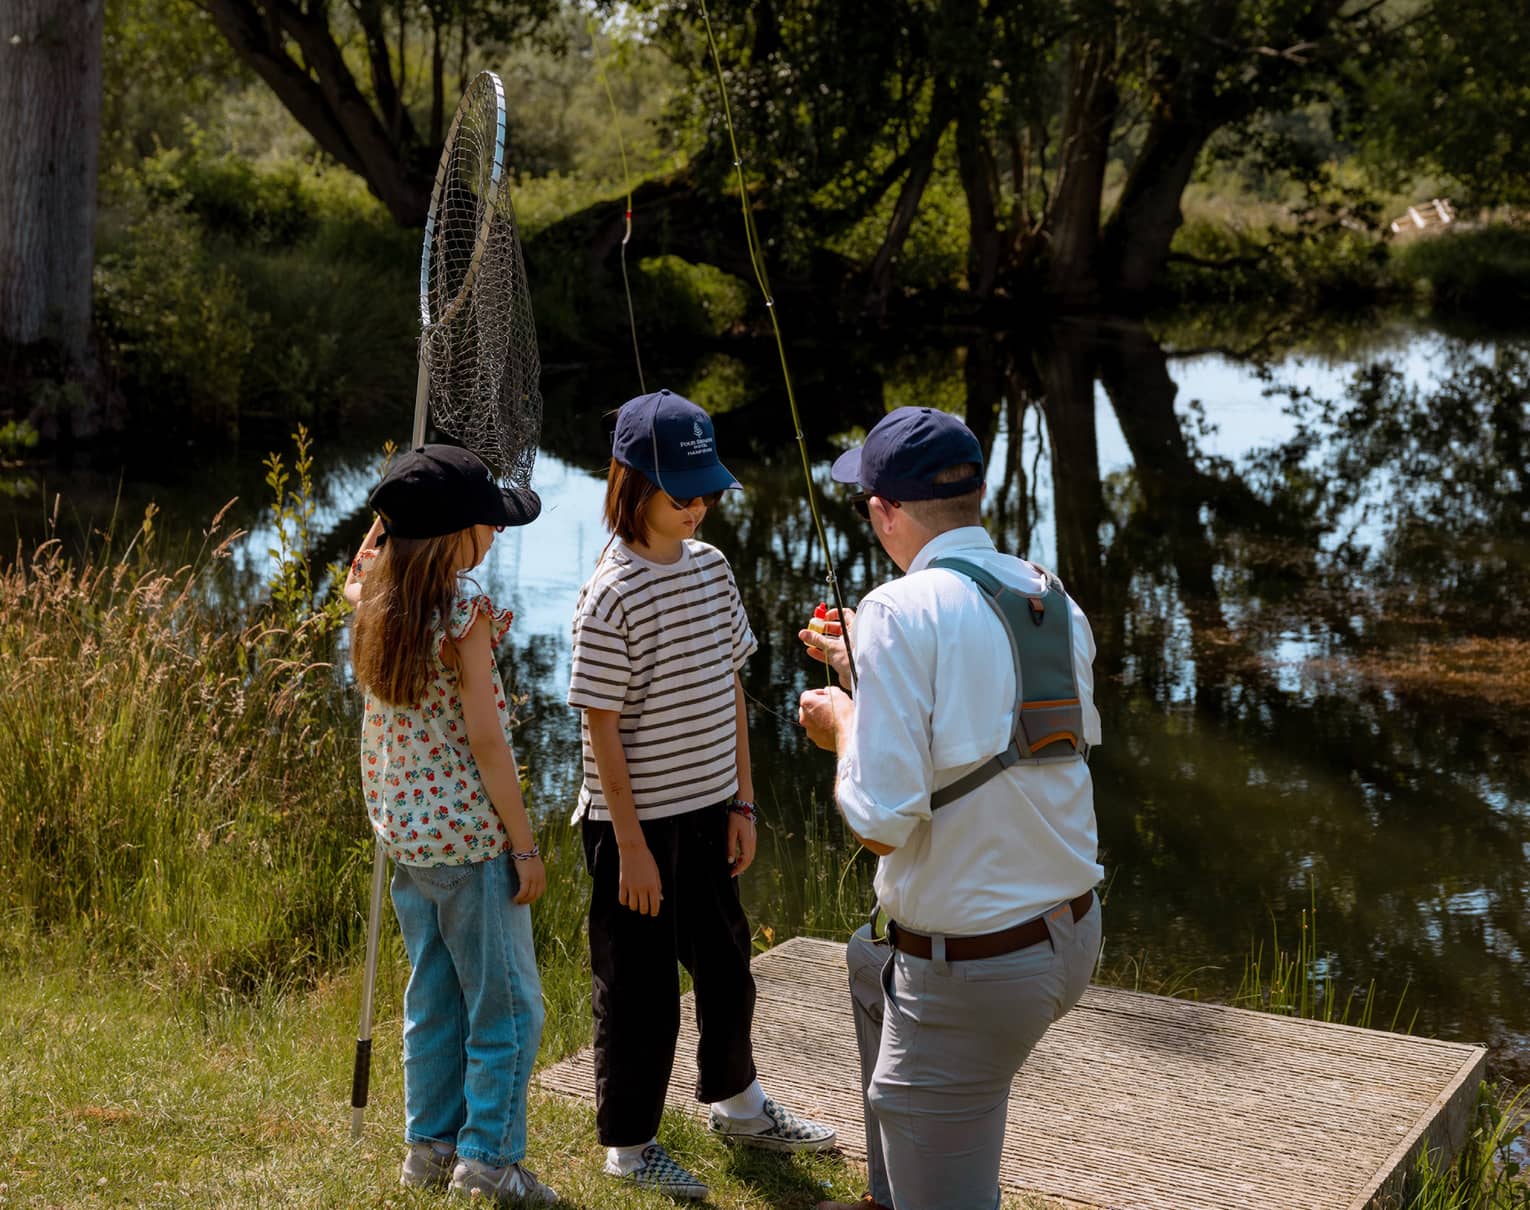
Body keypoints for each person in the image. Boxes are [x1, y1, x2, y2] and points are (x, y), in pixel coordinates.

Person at [796, 405, 1104, 1210]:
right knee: (871, 964)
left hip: (978, 967)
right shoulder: (1048, 596)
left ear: (882, 511)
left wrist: (846, 721)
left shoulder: (898, 611)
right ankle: (890, 1191)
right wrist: (861, 661)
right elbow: (989, 730)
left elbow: (880, 822)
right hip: (1069, 933)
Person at [568, 389, 837, 1199]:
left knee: (728, 972)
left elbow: (729, 692)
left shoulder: (713, 571)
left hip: (709, 812)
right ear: (632, 487)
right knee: (642, 995)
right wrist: (634, 848)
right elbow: (600, 729)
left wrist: (742, 801)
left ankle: (737, 1102)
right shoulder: (607, 596)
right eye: (682, 495)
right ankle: (629, 1145)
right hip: (634, 830)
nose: (699, 508)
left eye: (708, 492)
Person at [345, 443, 555, 1207]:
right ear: (454, 540)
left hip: (407, 841)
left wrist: (386, 517)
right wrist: (523, 846)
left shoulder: (372, 594)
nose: (497, 535)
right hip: (470, 845)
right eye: (487, 524)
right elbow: (488, 742)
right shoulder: (462, 615)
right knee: (506, 1005)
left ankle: (428, 1148)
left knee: (434, 995)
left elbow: (363, 558)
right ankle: (489, 1160)